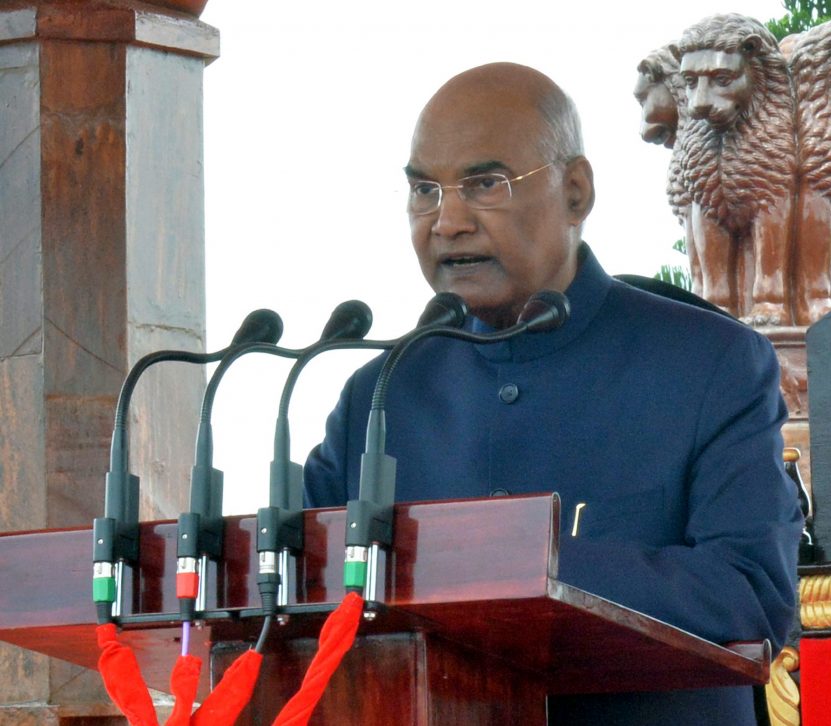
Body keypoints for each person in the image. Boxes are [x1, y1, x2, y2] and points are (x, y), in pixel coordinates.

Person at [304, 62, 803, 725]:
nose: (446, 221)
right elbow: (292, 594)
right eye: (424, 190)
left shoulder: (710, 364)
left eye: (485, 184)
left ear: (576, 192)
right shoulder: (381, 395)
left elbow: (752, 595)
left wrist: (523, 563)